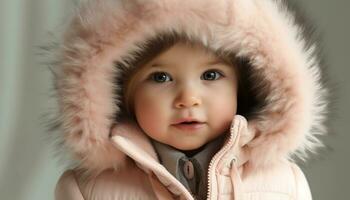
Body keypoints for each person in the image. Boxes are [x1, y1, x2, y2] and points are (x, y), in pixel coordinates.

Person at [52, 0, 328, 199]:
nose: (188, 99)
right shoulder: (86, 190)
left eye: (210, 75)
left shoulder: (285, 184)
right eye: (160, 77)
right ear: (120, 94)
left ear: (245, 87)